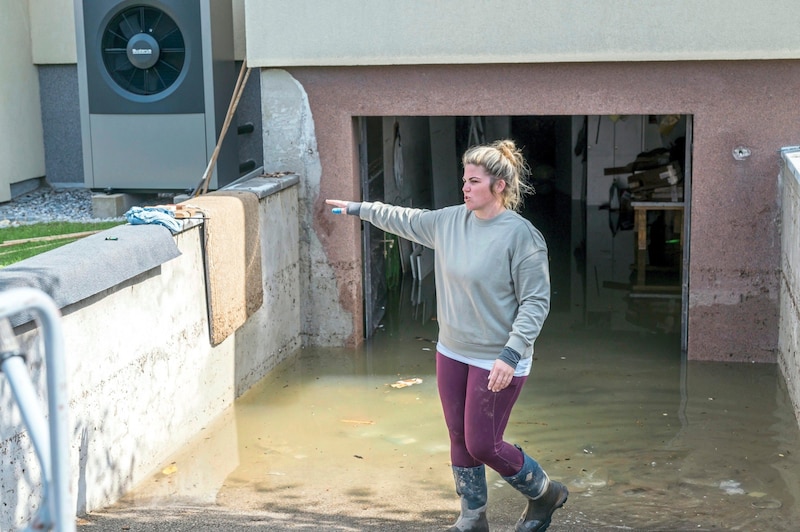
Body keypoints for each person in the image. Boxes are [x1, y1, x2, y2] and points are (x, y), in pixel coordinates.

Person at [326, 139, 567, 532]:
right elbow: (404, 218)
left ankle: (545, 493)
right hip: (452, 350)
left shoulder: (522, 237)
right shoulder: (449, 222)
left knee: (484, 444)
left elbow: (536, 303)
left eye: (474, 181)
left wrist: (511, 354)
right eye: (464, 180)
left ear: (499, 186)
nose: (465, 188)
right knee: (458, 436)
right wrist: (358, 209)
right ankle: (473, 518)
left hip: (499, 356)